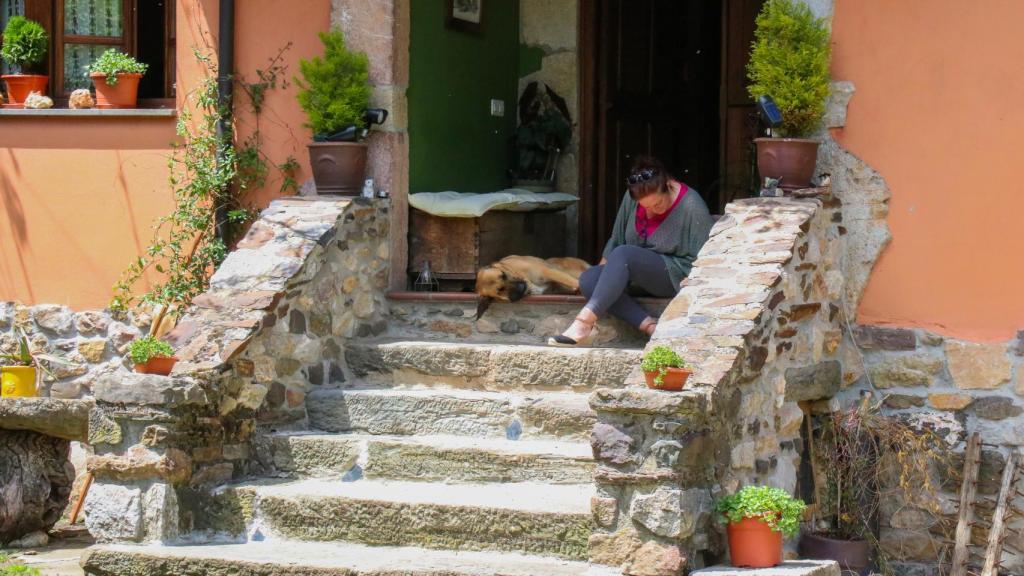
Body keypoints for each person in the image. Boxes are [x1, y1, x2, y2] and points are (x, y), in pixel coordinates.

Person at [548, 156, 714, 347]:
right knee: (589, 279)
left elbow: (705, 258)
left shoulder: (691, 205)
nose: (650, 212)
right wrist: (602, 278)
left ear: (669, 185)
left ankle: (584, 323)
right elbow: (616, 239)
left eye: (657, 205)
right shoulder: (632, 198)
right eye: (645, 207)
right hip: (633, 273)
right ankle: (649, 326)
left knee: (623, 254)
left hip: (674, 274)